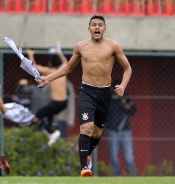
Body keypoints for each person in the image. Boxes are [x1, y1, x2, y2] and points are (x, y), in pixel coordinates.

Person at [36, 15, 132, 176]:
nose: (97, 27)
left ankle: (88, 153)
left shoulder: (114, 46)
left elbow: (128, 68)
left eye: (100, 25)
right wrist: (48, 78)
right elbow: (68, 68)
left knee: (96, 132)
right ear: (89, 29)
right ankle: (84, 167)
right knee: (86, 127)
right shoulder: (81, 47)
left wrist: (122, 85)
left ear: (104, 28)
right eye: (93, 25)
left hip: (105, 93)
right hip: (87, 91)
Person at [26, 49, 69, 146]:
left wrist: (31, 54)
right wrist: (60, 53)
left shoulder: (49, 71)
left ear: (51, 63)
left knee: (36, 117)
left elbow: (34, 67)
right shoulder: (62, 71)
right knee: (49, 116)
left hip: (56, 103)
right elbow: (66, 63)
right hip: (64, 102)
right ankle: (51, 132)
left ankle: (52, 132)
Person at [107, 80, 137, 176]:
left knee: (129, 157)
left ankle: (132, 176)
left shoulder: (126, 97)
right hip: (112, 130)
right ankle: (115, 177)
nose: (117, 89)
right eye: (115, 88)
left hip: (125, 131)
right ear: (112, 89)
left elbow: (134, 110)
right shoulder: (109, 98)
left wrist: (128, 107)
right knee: (113, 157)